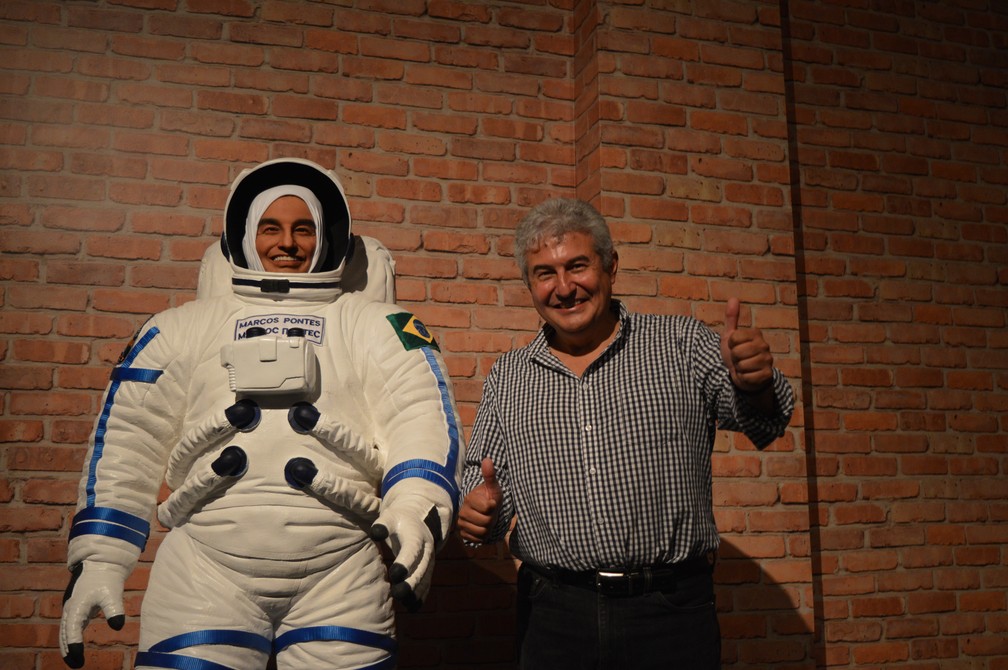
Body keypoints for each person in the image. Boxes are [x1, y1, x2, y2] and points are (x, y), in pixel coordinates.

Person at [59, 158, 463, 670]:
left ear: (326, 238)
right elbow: (127, 440)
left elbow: (421, 416)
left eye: (303, 229)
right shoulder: (181, 329)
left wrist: (414, 508)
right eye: (271, 228)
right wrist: (101, 557)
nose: (287, 244)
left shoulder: (379, 326)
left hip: (339, 572)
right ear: (245, 236)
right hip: (204, 570)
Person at [457, 198, 794, 670]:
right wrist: (478, 513)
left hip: (671, 614)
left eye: (578, 266)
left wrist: (756, 384)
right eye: (544, 273)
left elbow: (768, 422)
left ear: (611, 266)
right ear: (529, 285)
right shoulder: (509, 378)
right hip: (554, 617)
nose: (564, 287)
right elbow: (487, 493)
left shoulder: (681, 345)